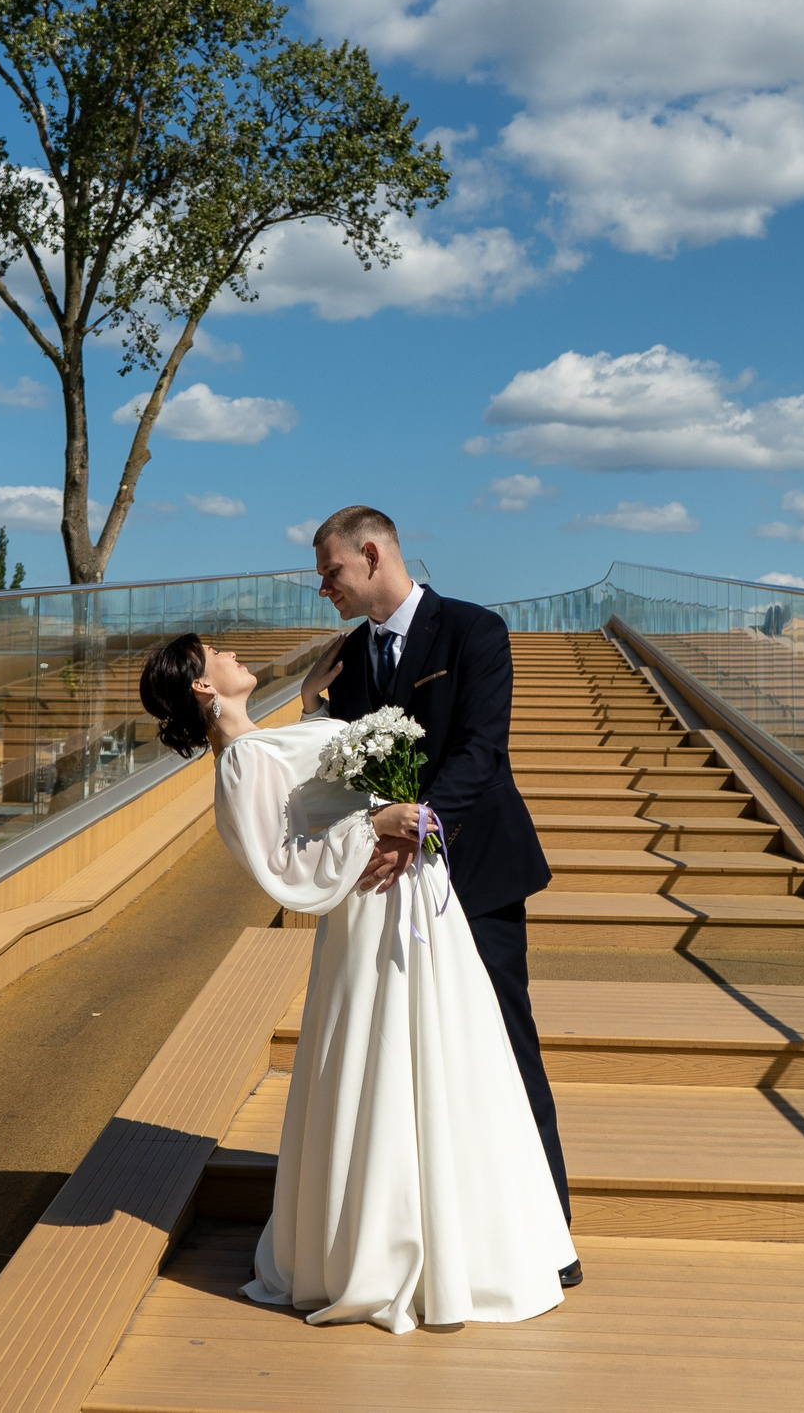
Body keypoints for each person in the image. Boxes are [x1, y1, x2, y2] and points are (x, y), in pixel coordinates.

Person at [138, 633, 575, 1333]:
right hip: (370, 909)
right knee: (394, 1064)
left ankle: (457, 1240)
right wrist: (376, 822)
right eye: (216, 651)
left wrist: (312, 706)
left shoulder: (262, 743)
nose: (233, 653)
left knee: (445, 1053)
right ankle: (399, 1249)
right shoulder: (240, 762)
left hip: (404, 898)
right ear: (200, 684)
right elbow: (284, 862)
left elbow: (305, 790)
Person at [302, 504, 580, 1290]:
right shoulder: (346, 659)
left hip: (477, 876)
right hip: (390, 893)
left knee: (507, 1046)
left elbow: (481, 751)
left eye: (331, 572)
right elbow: (336, 768)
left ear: (372, 553)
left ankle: (549, 1234)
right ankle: (437, 1232)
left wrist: (415, 829)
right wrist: (314, 706)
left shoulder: (473, 631)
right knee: (417, 1059)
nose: (324, 588)